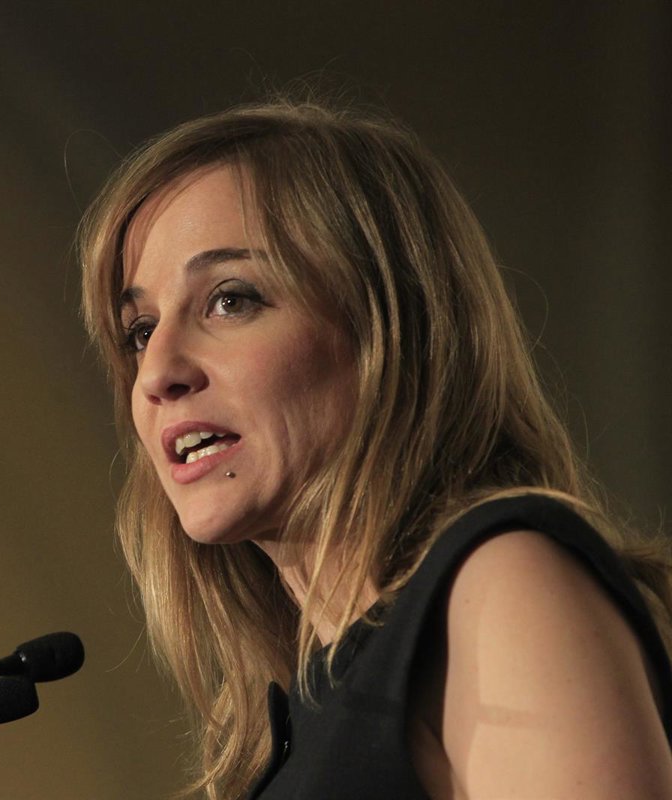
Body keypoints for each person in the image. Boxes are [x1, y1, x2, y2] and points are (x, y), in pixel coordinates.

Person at [78, 100, 672, 799]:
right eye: (140, 330)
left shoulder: (499, 584)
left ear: (389, 330)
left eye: (231, 300)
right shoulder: (296, 714)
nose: (157, 372)